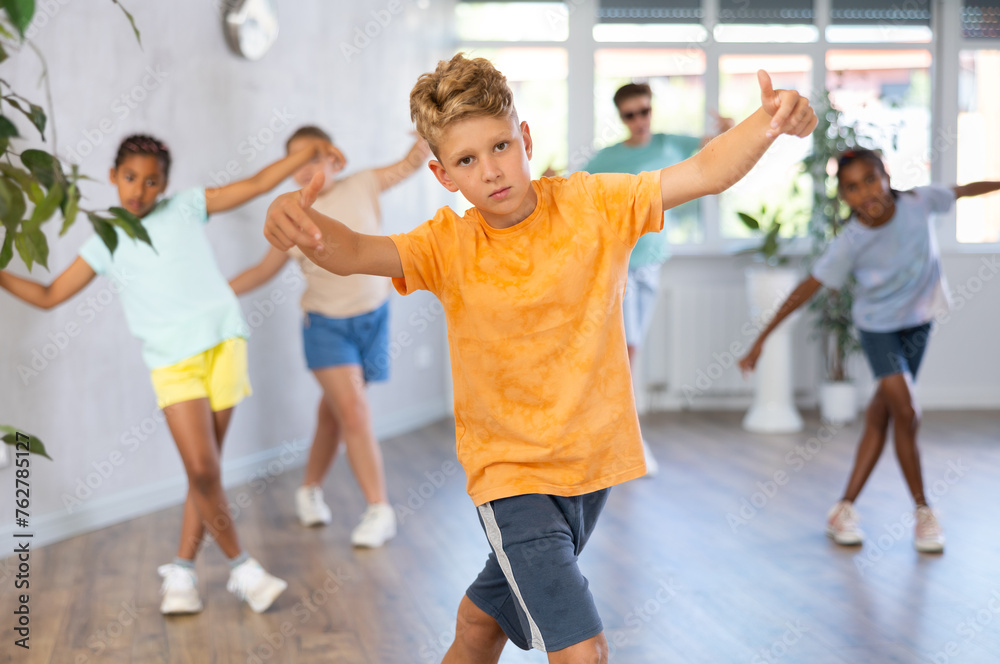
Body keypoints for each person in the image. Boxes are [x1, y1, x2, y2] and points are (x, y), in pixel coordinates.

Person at [263, 54, 816, 663]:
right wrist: (303, 224)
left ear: (525, 137)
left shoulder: (596, 205)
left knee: (480, 626)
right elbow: (355, 250)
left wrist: (766, 123)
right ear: (444, 175)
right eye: (466, 160)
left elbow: (704, 170)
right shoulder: (447, 245)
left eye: (500, 146)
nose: (491, 171)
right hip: (510, 477)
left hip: (588, 471)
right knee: (585, 652)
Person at [0, 133, 341, 615]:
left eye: (151, 181)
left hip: (224, 342)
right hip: (171, 363)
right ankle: (242, 567)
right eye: (130, 178)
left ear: (165, 185)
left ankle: (181, 574)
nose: (139, 190)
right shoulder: (106, 240)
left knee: (207, 475)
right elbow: (49, 295)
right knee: (202, 471)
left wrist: (309, 151)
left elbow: (259, 181)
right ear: (114, 177)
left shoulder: (185, 207)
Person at [738, 148, 1000, 554]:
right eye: (852, 188)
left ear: (886, 175)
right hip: (878, 329)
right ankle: (924, 511)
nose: (865, 194)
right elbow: (806, 289)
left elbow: (963, 190)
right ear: (843, 197)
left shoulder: (919, 201)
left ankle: (843, 509)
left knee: (882, 414)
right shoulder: (851, 241)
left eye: (870, 180)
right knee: (907, 411)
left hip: (919, 323)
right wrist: (760, 340)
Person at [229, 125, 429, 547]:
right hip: (325, 326)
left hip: (373, 319)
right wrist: (218, 293)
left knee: (334, 412)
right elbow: (263, 270)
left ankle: (309, 490)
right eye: (295, 163)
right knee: (354, 411)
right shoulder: (291, 215)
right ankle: (380, 509)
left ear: (335, 160)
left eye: (313, 158)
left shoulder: (364, 183)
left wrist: (428, 134)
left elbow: (411, 164)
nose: (305, 169)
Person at [582, 82, 734, 477]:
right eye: (630, 115)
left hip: (652, 264)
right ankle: (625, 443)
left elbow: (716, 153)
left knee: (630, 352)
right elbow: (573, 193)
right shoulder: (608, 158)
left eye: (644, 111)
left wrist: (731, 129)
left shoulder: (671, 145)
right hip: (619, 267)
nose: (639, 121)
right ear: (621, 118)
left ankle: (616, 439)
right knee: (626, 354)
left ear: (651, 110)